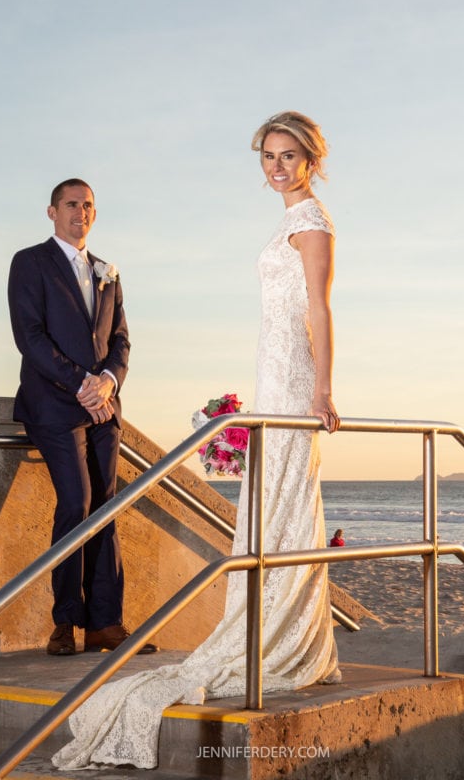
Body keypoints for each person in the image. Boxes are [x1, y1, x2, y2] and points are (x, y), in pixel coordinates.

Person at [52, 112, 341, 769]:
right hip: (272, 371)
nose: (276, 166)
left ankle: (286, 636)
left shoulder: (311, 222)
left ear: (311, 160)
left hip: (295, 377)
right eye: (267, 156)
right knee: (272, 503)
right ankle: (278, 628)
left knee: (287, 492)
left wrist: (322, 391)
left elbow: (318, 308)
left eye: (289, 156)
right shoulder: (288, 218)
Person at [8, 178, 156, 657]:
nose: (81, 212)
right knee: (77, 502)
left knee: (106, 510)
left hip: (103, 408)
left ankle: (105, 625)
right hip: (53, 405)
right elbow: (30, 338)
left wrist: (108, 382)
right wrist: (81, 384)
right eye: (72, 204)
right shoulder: (30, 263)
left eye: (88, 205)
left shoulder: (106, 271)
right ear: (52, 211)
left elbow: (121, 341)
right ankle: (65, 621)